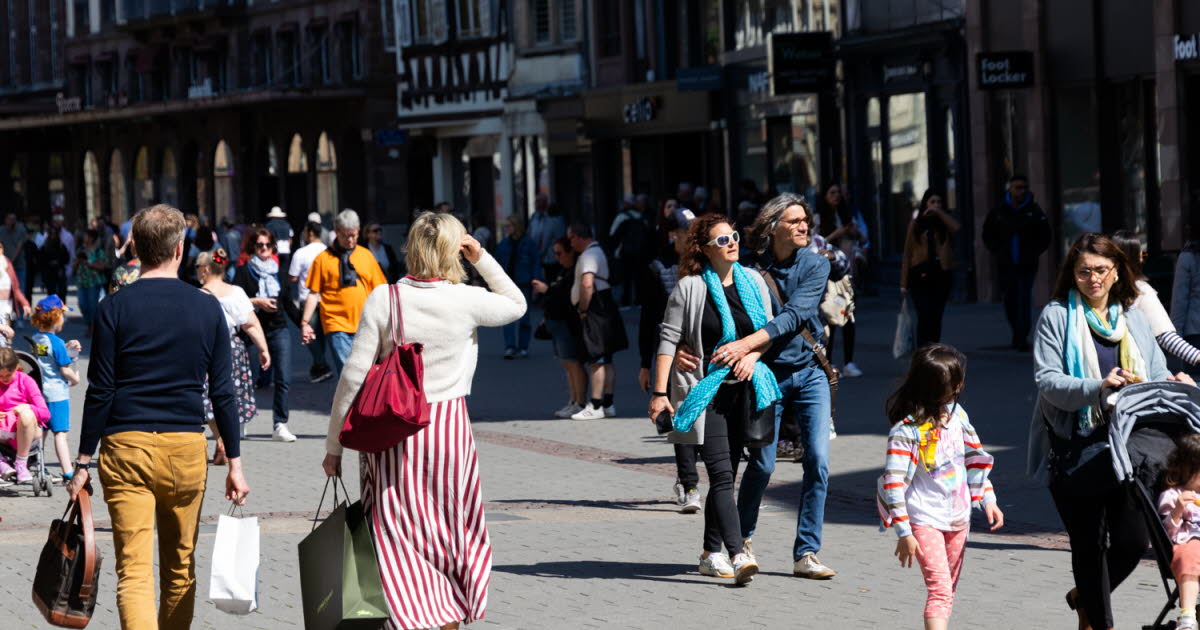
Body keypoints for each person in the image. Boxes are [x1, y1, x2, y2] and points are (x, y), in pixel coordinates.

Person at [323, 212, 526, 630]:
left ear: (410, 248)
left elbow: (353, 377)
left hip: (394, 431)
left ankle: (408, 615)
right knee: (450, 529)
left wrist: (334, 445)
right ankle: (447, 614)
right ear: (454, 250)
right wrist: (482, 256)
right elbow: (516, 304)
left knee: (395, 533)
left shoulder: (386, 298)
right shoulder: (464, 298)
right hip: (450, 431)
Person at [66, 204, 249, 629]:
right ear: (180, 249)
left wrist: (81, 461)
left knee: (133, 570)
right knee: (180, 569)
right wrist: (235, 464)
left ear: (136, 248)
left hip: (125, 445)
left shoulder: (114, 307)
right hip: (185, 448)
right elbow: (223, 392)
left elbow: (101, 391)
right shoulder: (206, 309)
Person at [1029, 232, 1195, 630]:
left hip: (1130, 448)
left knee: (1132, 543)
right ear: (1073, 273)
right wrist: (1099, 387)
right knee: (1088, 545)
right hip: (1077, 443)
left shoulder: (1133, 315)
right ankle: (1097, 619)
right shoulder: (1056, 315)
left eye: (1102, 270)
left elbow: (1155, 374)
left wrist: (1173, 382)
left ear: (1118, 270)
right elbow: (1048, 380)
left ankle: (1084, 597)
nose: (1093, 278)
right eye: (1084, 271)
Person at [704, 192, 836, 579]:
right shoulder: (748, 269)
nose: (803, 226)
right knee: (760, 464)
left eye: (805, 220)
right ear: (772, 226)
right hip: (767, 375)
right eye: (794, 220)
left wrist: (748, 345)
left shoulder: (816, 265)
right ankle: (740, 541)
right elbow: (719, 307)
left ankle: (806, 553)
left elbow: (797, 315)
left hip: (811, 370)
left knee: (819, 461)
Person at [647, 213, 775, 585]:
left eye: (734, 236)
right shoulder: (689, 288)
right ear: (704, 249)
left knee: (728, 475)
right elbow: (668, 340)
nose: (732, 243)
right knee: (721, 476)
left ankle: (709, 552)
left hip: (746, 392)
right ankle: (738, 555)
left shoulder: (753, 281)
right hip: (707, 393)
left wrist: (752, 355)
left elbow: (767, 331)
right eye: (722, 240)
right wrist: (659, 394)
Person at [877, 344, 1004, 630]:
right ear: (941, 387)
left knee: (947, 592)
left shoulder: (958, 417)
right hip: (924, 519)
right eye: (955, 381)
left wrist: (988, 498)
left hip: (959, 519)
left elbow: (974, 459)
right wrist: (904, 532)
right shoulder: (906, 431)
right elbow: (894, 484)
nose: (961, 385)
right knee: (940, 590)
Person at [638, 207, 703, 513]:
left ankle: (720, 483)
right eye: (685, 232)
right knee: (683, 422)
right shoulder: (657, 267)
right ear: (673, 235)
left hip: (711, 353)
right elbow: (649, 317)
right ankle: (689, 484)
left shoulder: (706, 265)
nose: (691, 238)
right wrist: (644, 364)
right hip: (676, 358)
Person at [197, 249, 271, 464]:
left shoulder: (199, 295)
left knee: (207, 397)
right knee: (229, 396)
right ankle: (228, 444)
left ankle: (219, 438)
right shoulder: (236, 292)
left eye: (198, 268)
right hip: (233, 349)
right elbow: (252, 325)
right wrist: (263, 350)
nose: (197, 272)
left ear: (207, 269)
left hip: (207, 350)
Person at [300, 209, 387, 376]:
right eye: (346, 235)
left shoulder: (366, 255)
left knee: (367, 375)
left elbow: (380, 289)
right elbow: (313, 293)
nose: (350, 240)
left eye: (354, 235)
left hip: (365, 324)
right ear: (336, 232)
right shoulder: (322, 259)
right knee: (349, 375)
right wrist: (305, 323)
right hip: (336, 324)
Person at [232, 229, 298, 443]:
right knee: (245, 379)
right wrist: (258, 302)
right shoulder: (243, 271)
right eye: (260, 245)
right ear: (253, 247)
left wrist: (304, 324)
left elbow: (288, 302)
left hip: (278, 328)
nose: (264, 249)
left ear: (273, 247)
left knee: (283, 379)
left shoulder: (279, 271)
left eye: (267, 245)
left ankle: (280, 424)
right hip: (251, 330)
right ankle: (241, 420)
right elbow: (236, 300)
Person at [983, 174, 1052, 351]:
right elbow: (988, 234)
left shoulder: (1034, 211)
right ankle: (1016, 331)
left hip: (1026, 264)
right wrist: (997, 250)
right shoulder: (999, 211)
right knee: (1010, 300)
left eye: (1023, 187)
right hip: (1006, 265)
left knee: (1023, 299)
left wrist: (1034, 252)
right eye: (1017, 187)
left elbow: (1045, 235)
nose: (1021, 191)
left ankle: (1021, 337)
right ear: (1010, 189)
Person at [567, 222, 627, 420]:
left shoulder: (589, 255)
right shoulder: (597, 251)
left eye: (571, 238)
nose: (570, 243)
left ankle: (595, 405)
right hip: (604, 306)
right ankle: (608, 404)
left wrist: (583, 308)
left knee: (597, 359)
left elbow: (587, 283)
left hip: (595, 309)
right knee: (606, 358)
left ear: (579, 236)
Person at [1112, 230, 1200, 366]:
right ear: (1135, 258)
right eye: (1141, 253)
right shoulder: (1140, 291)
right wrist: (1195, 356)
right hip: (1135, 369)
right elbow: (1165, 336)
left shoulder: (1102, 291)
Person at [532, 237, 587, 418]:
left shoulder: (574, 271)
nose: (557, 257)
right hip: (557, 321)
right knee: (566, 363)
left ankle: (579, 402)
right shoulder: (563, 270)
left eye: (559, 253)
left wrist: (547, 290)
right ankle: (573, 401)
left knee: (573, 362)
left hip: (567, 322)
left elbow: (565, 297)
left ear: (570, 252)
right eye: (555, 253)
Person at [30, 296, 81, 483]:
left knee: (41, 432)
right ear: (56, 317)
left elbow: (45, 358)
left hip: (39, 393)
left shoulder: (35, 339)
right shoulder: (57, 342)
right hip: (57, 394)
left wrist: (67, 347)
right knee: (60, 433)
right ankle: (68, 470)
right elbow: (64, 369)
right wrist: (76, 379)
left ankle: (37, 465)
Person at [901, 190, 961, 348]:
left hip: (941, 275)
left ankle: (933, 350)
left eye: (939, 202)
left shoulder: (944, 224)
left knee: (936, 317)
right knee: (924, 315)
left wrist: (940, 213)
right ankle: (923, 351)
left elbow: (957, 228)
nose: (936, 205)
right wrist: (903, 283)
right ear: (925, 204)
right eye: (932, 202)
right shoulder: (916, 224)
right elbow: (907, 253)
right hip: (919, 276)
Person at [816, 183, 863, 377]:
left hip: (849, 272)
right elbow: (816, 242)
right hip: (830, 273)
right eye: (832, 192)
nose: (836, 196)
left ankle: (849, 362)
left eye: (838, 193)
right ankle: (830, 362)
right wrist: (838, 232)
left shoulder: (848, 216)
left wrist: (852, 231)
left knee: (849, 315)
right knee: (831, 314)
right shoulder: (819, 217)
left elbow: (863, 239)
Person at [1159, 434, 1200, 630]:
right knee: (1189, 557)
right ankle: (1187, 616)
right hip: (1188, 543)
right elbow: (1167, 531)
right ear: (1186, 470)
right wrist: (1177, 509)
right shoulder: (1173, 495)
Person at [289, 221, 332, 382]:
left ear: (310, 233)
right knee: (319, 336)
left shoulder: (301, 253)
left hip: (308, 298)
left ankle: (322, 364)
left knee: (309, 336)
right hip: (325, 298)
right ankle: (319, 369)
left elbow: (292, 277)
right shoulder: (328, 252)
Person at [0, 347, 50, 485]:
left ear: (16, 368)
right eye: (0, 376)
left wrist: (27, 407)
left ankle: (21, 464)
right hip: (2, 433)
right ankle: (1, 464)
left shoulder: (26, 381)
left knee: (27, 414)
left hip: (25, 432)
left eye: (8, 375)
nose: (4, 379)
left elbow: (45, 414)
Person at [495, 214, 541, 359]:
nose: (507, 228)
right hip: (507, 284)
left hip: (524, 283)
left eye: (509, 225)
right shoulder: (503, 243)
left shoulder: (529, 243)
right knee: (508, 316)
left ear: (517, 226)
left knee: (524, 317)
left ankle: (523, 347)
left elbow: (536, 263)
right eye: (506, 226)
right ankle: (510, 346)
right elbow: (496, 264)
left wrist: (536, 281)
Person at [609, 194, 653, 308]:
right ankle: (639, 300)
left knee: (626, 278)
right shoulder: (642, 216)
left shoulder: (622, 216)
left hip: (625, 252)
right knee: (639, 277)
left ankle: (626, 301)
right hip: (641, 252)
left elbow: (612, 234)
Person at [1173, 223, 1200, 369]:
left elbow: (1180, 300)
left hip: (1195, 334)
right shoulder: (1189, 256)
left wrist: (1175, 338)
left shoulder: (1189, 256)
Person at [74, 229, 111, 335]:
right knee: (82, 305)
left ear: (91, 238)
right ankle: (88, 323)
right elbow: (74, 266)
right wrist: (77, 261)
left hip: (94, 282)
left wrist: (88, 262)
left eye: (86, 236)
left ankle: (92, 327)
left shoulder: (98, 251)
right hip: (81, 281)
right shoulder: (80, 249)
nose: (84, 238)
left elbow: (102, 266)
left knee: (92, 306)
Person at [529, 194, 566, 279]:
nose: (536, 204)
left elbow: (546, 239)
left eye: (539, 202)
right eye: (536, 202)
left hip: (550, 257)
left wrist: (539, 254)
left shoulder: (552, 221)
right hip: (544, 255)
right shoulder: (535, 216)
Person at [0, 213, 28, 296]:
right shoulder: (1, 230)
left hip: (19, 265)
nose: (12, 221)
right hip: (4, 266)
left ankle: (21, 308)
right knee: (5, 288)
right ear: (6, 220)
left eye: (14, 219)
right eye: (10, 219)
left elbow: (19, 247)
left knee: (20, 289)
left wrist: (11, 261)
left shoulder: (21, 230)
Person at [38, 226, 70, 302]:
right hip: (49, 273)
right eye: (51, 234)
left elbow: (66, 259)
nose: (53, 236)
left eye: (54, 234)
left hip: (59, 272)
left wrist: (58, 262)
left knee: (61, 293)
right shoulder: (44, 247)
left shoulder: (61, 246)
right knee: (51, 293)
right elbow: (41, 261)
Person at [264, 206, 294, 272]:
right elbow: (290, 239)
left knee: (274, 270)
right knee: (284, 270)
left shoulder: (269, 225)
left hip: (274, 250)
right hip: (286, 250)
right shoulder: (287, 225)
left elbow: (267, 238)